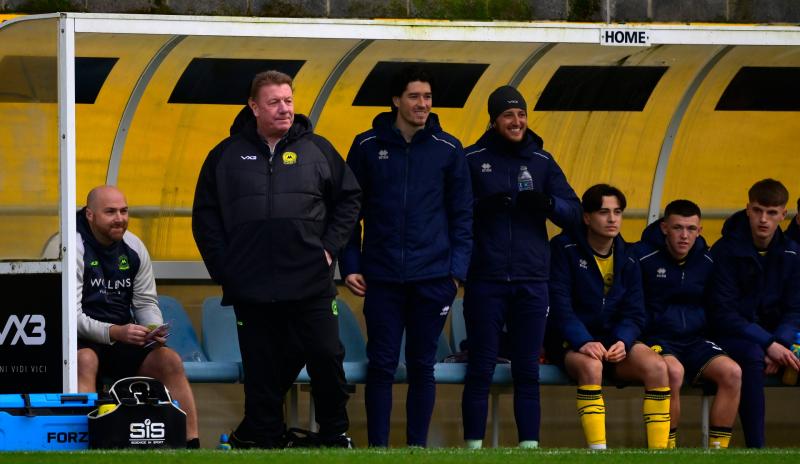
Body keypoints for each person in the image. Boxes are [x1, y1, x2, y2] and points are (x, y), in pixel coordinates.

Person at [192, 70, 361, 449]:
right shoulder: (224, 156)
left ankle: (335, 434)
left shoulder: (318, 149)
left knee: (326, 356)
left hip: (310, 279)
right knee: (262, 367)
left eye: (288, 101)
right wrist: (225, 269)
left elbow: (350, 200)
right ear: (254, 106)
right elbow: (205, 218)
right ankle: (263, 439)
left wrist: (330, 247)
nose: (284, 109)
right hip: (252, 284)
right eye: (274, 102)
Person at [339, 66, 472, 447]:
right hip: (381, 279)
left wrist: (455, 275)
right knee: (380, 365)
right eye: (414, 96)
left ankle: (417, 448)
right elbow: (351, 212)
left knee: (421, 365)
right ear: (396, 100)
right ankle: (378, 448)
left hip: (433, 279)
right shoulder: (366, 146)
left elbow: (463, 216)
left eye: (428, 97)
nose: (422, 104)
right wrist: (351, 265)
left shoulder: (449, 149)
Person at [460, 85, 581, 449]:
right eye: (508, 115)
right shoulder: (472, 158)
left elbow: (574, 213)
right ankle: (472, 448)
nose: (517, 121)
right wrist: (483, 206)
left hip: (532, 279)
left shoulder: (542, 161)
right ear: (494, 120)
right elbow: (455, 211)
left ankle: (530, 447)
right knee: (480, 366)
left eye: (522, 115)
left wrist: (546, 204)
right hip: (486, 278)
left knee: (527, 368)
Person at [546, 184, 670, 449]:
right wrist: (583, 341)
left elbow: (635, 312)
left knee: (659, 366)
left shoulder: (629, 256)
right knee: (592, 366)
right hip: (571, 340)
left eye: (618, 212)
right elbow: (559, 306)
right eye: (604, 212)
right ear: (587, 217)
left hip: (613, 341)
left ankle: (660, 453)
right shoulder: (563, 248)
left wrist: (622, 342)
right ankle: (598, 452)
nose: (613, 219)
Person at [76, 185, 199, 448]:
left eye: (124, 211)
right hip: (79, 337)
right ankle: (80, 442)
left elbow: (144, 301)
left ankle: (191, 443)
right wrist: (114, 332)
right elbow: (69, 316)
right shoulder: (73, 245)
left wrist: (153, 329)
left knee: (169, 360)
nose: (119, 218)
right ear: (90, 215)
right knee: (84, 360)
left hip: (121, 338)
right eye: (110, 212)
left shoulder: (133, 245)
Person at [633, 199, 741, 449]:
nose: (684, 235)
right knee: (674, 371)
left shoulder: (707, 260)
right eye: (678, 227)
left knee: (732, 373)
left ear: (700, 231)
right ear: (664, 228)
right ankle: (668, 449)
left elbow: (717, 305)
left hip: (694, 339)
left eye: (691, 229)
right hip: (656, 337)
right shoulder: (642, 256)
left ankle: (718, 452)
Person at [708, 178, 800, 448]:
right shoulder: (724, 251)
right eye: (758, 210)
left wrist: (780, 343)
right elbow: (722, 312)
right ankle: (756, 448)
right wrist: (767, 343)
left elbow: (795, 308)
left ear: (784, 215)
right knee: (750, 354)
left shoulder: (793, 254)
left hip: (775, 339)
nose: (763, 219)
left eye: (772, 213)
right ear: (747, 209)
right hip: (733, 335)